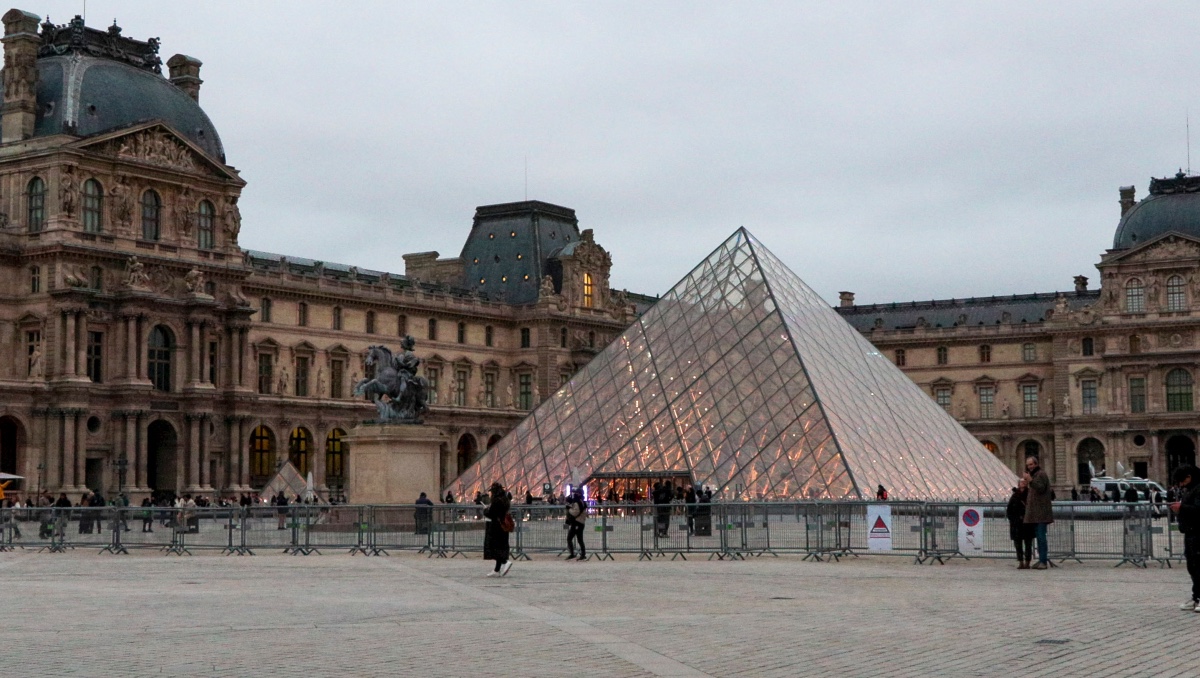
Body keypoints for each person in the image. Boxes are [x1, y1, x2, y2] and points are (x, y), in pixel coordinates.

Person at [1169, 465, 1200, 612]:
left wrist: (1181, 508)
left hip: (1198, 532)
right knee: (1193, 566)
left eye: (1181, 481)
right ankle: (1196, 598)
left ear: (1189, 477)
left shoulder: (1199, 489)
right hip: (1190, 532)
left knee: (1198, 566)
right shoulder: (1191, 489)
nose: (1180, 485)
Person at [1022, 456, 1054, 569]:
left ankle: (1043, 561)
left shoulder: (1040, 474)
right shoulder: (1036, 475)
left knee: (1041, 537)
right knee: (1039, 537)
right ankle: (1041, 560)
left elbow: (1040, 488)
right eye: (1028, 464)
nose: (1029, 466)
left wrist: (1030, 480)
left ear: (1036, 464)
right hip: (1036, 513)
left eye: (1031, 464)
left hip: (1041, 512)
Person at [483, 482, 512, 577]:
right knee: (501, 546)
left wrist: (485, 510)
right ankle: (497, 570)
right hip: (503, 525)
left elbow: (491, 513)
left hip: (496, 527)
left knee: (495, 547)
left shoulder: (496, 501)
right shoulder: (505, 499)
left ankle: (505, 562)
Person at [1006, 483, 1035, 569]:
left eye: (1024, 482)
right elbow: (1009, 509)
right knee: (1018, 544)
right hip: (1017, 523)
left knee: (1028, 544)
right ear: (1019, 485)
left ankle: (1027, 562)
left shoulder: (1030, 494)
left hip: (1027, 523)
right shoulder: (1015, 496)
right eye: (1021, 482)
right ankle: (1021, 561)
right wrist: (1012, 519)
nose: (1023, 484)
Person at [564, 488, 587, 560]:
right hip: (580, 522)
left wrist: (569, 509)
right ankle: (581, 554)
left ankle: (574, 554)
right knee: (579, 539)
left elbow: (575, 512)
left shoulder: (577, 502)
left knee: (570, 538)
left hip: (577, 522)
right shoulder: (582, 502)